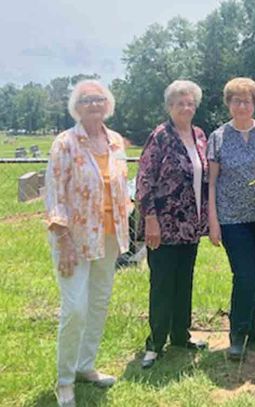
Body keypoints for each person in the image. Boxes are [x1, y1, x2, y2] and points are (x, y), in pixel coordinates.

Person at [45, 80, 130, 406]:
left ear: (107, 105)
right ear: (76, 108)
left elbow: (121, 187)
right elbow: (55, 192)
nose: (94, 104)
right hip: (74, 239)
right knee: (75, 308)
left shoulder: (115, 141)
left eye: (99, 99)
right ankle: (65, 379)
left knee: (98, 303)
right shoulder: (65, 143)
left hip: (108, 237)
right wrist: (62, 239)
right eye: (86, 100)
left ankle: (86, 366)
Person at [207, 77, 255, 360]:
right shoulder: (219, 137)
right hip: (232, 219)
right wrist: (213, 221)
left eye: (247, 100)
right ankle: (237, 334)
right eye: (236, 100)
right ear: (228, 104)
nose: (242, 105)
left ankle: (252, 326)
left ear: (254, 104)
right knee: (245, 274)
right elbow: (212, 183)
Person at [136, 80, 209, 369]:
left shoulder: (200, 135)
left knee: (184, 281)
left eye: (190, 103)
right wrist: (150, 219)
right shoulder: (160, 136)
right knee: (163, 283)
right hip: (162, 226)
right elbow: (144, 180)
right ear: (169, 107)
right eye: (180, 103)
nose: (186, 107)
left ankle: (181, 335)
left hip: (189, 226)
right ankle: (155, 341)